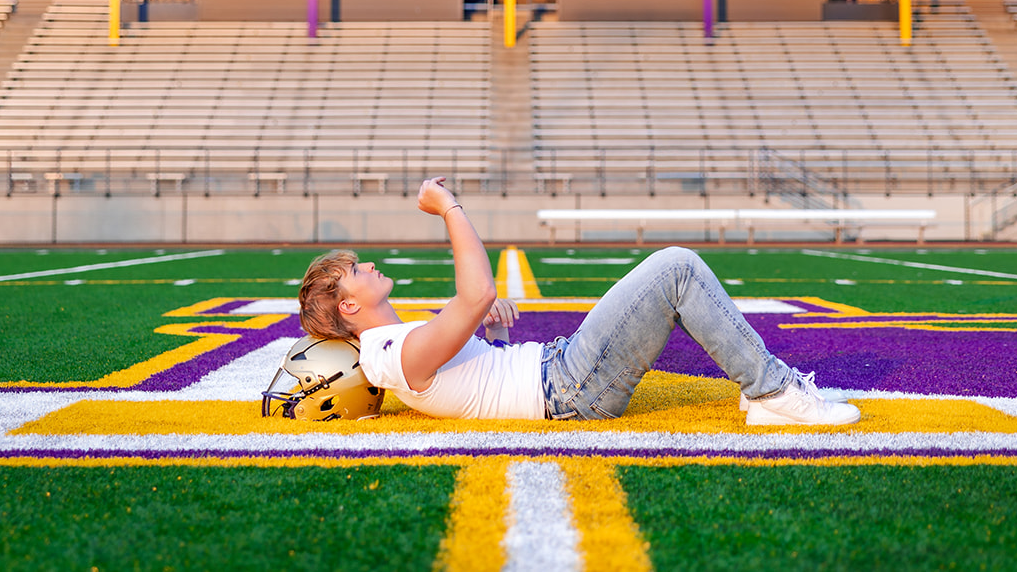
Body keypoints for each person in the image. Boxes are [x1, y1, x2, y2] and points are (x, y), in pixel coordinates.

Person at [296, 176, 861, 426]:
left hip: (560, 374)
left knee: (672, 272)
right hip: (568, 386)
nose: (367, 265)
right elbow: (477, 291)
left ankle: (766, 389)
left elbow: (472, 371)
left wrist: (486, 329)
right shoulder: (386, 353)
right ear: (348, 306)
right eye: (354, 270)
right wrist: (448, 207)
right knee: (677, 267)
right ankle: (773, 392)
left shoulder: (395, 344)